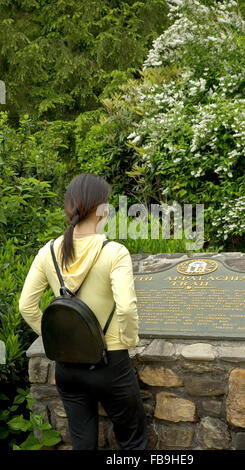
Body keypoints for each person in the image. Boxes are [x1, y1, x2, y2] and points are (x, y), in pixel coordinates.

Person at [19, 173, 148, 450]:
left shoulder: (48, 252)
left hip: (68, 367)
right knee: (132, 444)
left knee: (82, 445)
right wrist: (128, 341)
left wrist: (58, 341)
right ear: (102, 209)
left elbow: (26, 307)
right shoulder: (114, 252)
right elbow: (125, 308)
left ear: (70, 206)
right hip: (110, 362)